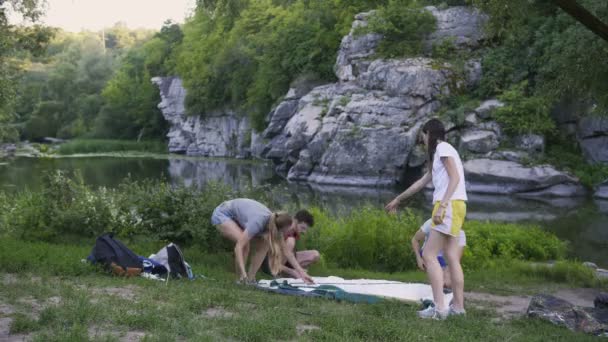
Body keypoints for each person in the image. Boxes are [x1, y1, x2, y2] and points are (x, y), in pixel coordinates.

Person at [386, 118, 467, 320]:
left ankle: (440, 309)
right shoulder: (440, 154)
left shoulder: (443, 148)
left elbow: (455, 177)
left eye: (423, 136)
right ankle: (458, 308)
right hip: (458, 206)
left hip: (448, 205)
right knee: (451, 256)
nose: (423, 141)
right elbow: (422, 182)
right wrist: (398, 199)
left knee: (429, 255)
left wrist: (443, 206)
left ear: (429, 133)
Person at [211, 198, 301, 284]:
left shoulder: (275, 223)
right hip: (223, 214)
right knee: (245, 245)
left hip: (239, 217)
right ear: (279, 229)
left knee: (265, 243)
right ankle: (240, 279)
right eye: (286, 230)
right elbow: (238, 248)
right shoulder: (258, 222)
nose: (286, 233)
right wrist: (243, 273)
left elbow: (287, 252)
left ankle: (251, 278)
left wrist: (302, 273)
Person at [261, 210, 319, 282]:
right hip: (272, 259)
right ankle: (278, 273)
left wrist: (301, 271)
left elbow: (289, 254)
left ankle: (295, 274)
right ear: (295, 221)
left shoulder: (294, 233)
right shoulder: (282, 226)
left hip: (286, 258)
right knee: (291, 242)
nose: (304, 232)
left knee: (315, 254)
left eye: (305, 229)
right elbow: (277, 251)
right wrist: (292, 271)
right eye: (302, 228)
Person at [411, 219, 466, 289]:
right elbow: (415, 240)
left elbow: (455, 260)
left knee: (448, 283)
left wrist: (447, 272)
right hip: (427, 254)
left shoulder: (460, 233)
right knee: (438, 281)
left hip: (441, 258)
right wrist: (418, 258)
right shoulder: (431, 223)